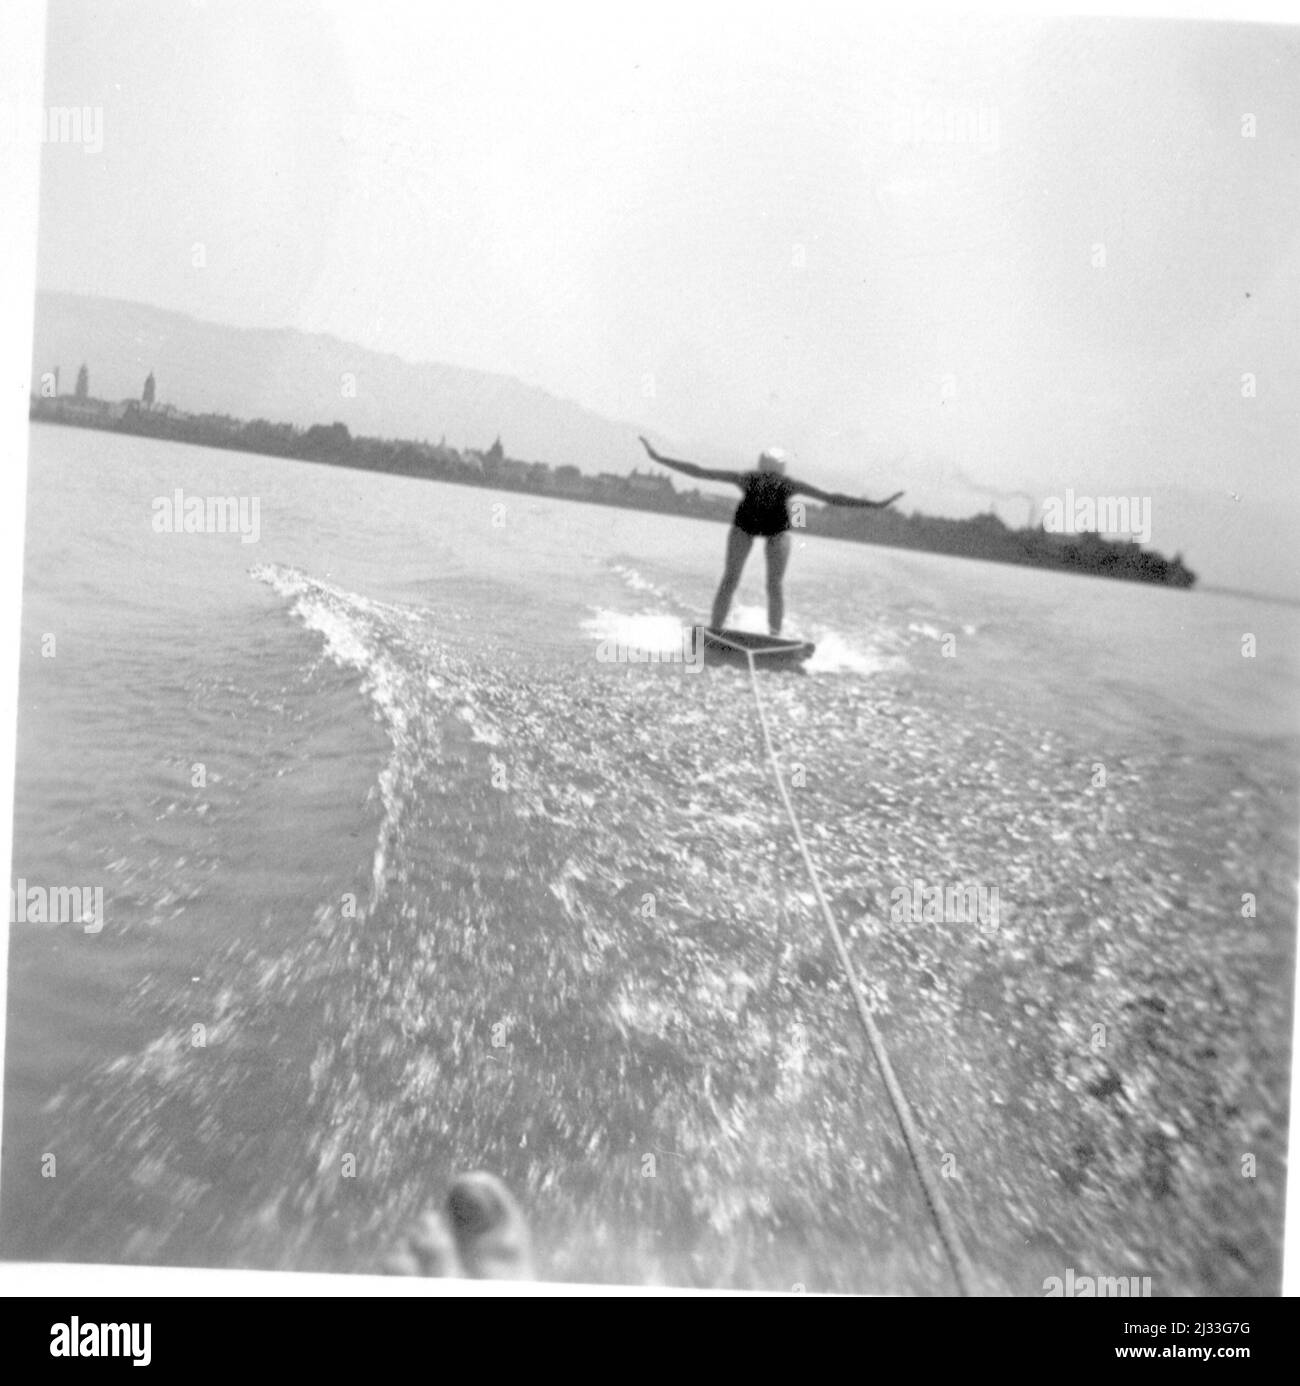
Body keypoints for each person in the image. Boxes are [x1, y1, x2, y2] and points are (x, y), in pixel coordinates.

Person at [639, 437, 903, 635]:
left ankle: (775, 636)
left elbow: (831, 498)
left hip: (777, 531)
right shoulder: (746, 479)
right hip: (745, 526)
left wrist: (877, 505)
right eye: (765, 474)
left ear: (780, 473)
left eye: (773, 475)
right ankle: (715, 629)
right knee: (730, 578)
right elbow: (699, 471)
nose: (768, 480)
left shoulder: (789, 485)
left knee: (774, 584)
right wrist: (658, 458)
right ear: (760, 469)